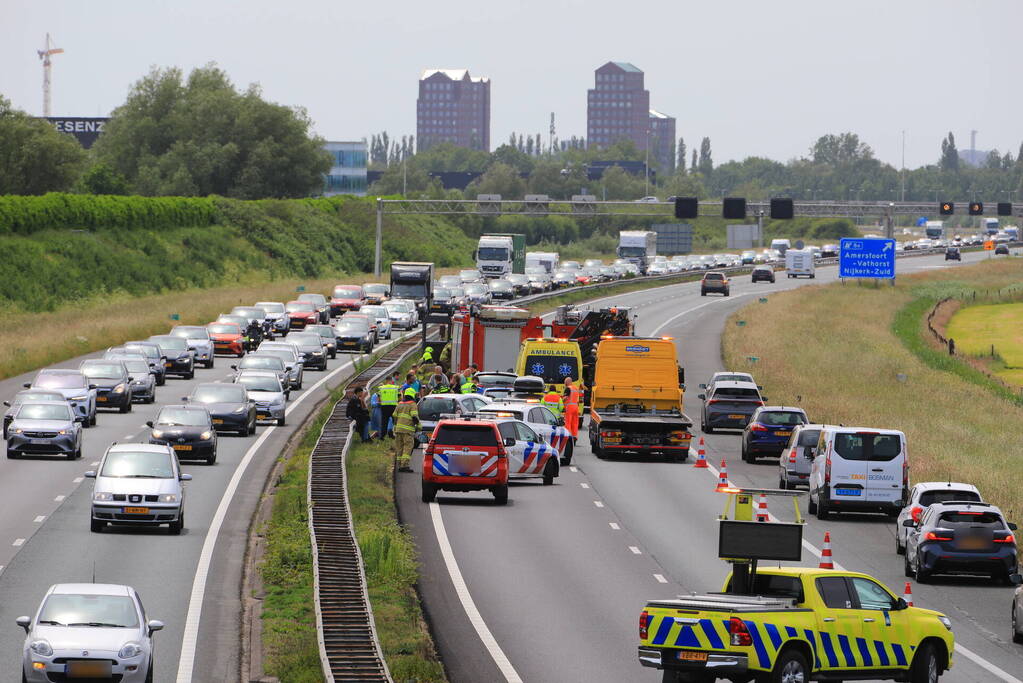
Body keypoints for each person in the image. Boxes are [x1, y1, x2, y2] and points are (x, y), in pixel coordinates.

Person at [392, 388, 420, 472]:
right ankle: (404, 466)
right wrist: (418, 425)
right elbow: (414, 417)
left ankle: (400, 464)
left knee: (399, 447)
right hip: (407, 430)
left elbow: (394, 416)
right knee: (408, 447)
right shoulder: (412, 404)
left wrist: (395, 426)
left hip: (398, 429)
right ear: (412, 395)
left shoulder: (399, 404)